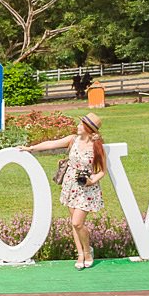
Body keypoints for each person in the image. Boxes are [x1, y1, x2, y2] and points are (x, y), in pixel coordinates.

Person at [19, 113, 106, 270]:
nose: (78, 126)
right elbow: (52, 144)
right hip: (70, 185)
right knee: (74, 223)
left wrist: (91, 180)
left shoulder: (96, 146)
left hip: (86, 189)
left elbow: (102, 171)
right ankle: (80, 254)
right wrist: (31, 148)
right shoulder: (73, 139)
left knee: (77, 222)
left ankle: (88, 251)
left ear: (88, 129)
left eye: (81, 124)